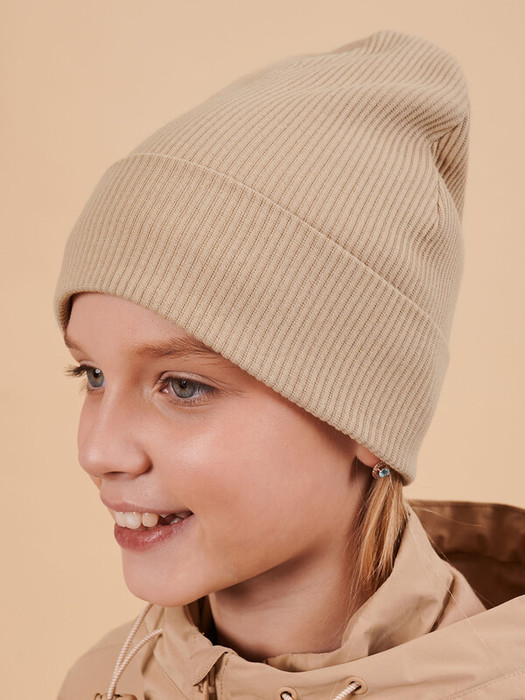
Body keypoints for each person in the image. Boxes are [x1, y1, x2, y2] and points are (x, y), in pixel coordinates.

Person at [55, 30, 525, 700]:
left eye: (182, 385)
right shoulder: (105, 678)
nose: (98, 451)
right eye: (92, 375)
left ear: (368, 414)